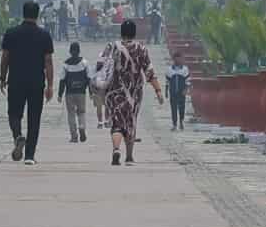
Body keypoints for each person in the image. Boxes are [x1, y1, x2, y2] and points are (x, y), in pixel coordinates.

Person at [97, 19, 163, 167]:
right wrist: (158, 90)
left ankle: (115, 149)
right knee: (131, 122)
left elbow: (100, 66)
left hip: (114, 92)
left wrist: (99, 86)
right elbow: (149, 72)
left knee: (116, 122)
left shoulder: (111, 47)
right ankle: (129, 156)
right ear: (134, 32)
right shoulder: (141, 49)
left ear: (121, 32)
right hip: (134, 93)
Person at [0, 0, 55, 164]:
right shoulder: (44, 35)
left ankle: (17, 136)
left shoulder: (11, 33)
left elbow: (5, 58)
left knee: (14, 113)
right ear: (37, 15)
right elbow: (48, 61)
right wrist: (50, 85)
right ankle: (29, 156)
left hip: (16, 80)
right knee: (34, 118)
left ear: (23, 13)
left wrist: (2, 78)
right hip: (37, 81)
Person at [60, 41, 91, 143]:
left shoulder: (66, 64)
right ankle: (81, 126)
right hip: (81, 93)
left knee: (71, 114)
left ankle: (74, 136)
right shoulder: (84, 63)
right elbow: (89, 79)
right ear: (79, 51)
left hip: (70, 93)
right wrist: (90, 92)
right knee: (81, 112)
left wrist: (60, 94)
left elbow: (62, 80)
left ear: (70, 51)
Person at [166, 56, 190, 130]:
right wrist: (166, 91)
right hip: (172, 92)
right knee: (173, 108)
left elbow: (188, 81)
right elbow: (167, 81)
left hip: (181, 92)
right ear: (173, 59)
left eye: (179, 58)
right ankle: (174, 124)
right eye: (176, 58)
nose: (177, 60)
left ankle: (181, 122)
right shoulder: (169, 69)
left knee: (182, 107)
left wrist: (186, 90)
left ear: (181, 59)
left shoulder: (185, 69)